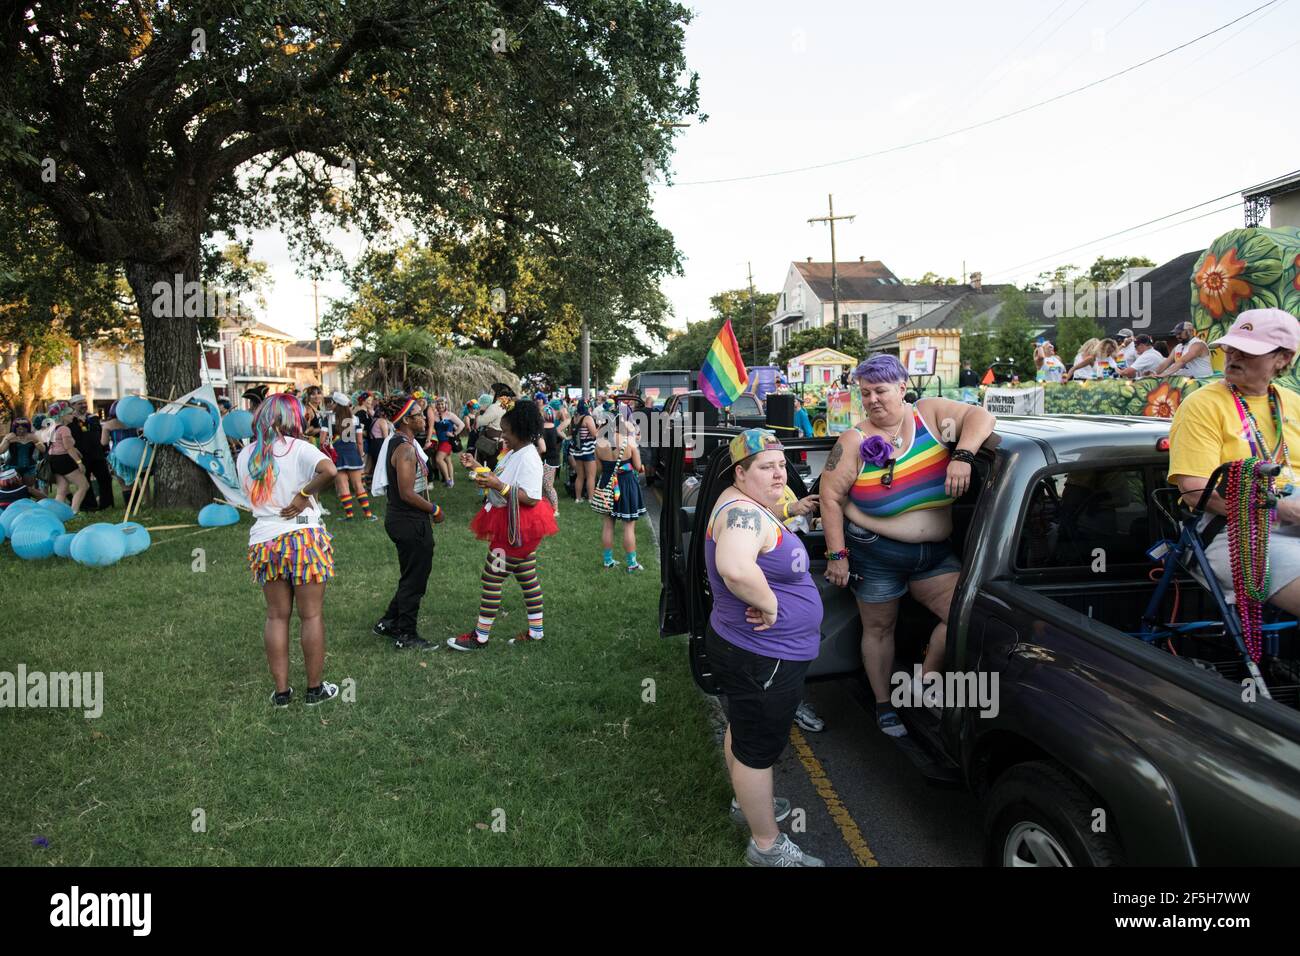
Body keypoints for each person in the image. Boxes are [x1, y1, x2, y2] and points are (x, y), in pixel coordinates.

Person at [820, 354, 996, 737]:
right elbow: (829, 496)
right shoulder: (854, 439)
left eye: (880, 391)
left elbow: (982, 418)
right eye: (865, 393)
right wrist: (837, 555)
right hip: (875, 553)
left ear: (902, 388)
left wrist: (963, 457)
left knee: (964, 618)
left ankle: (928, 675)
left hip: (934, 555)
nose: (872, 400)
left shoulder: (930, 414)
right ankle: (884, 705)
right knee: (880, 628)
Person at [703, 428, 824, 866]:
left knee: (744, 725)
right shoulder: (743, 514)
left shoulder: (751, 504)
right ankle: (767, 846)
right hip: (764, 654)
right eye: (765, 467)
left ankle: (745, 802)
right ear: (740, 472)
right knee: (758, 751)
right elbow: (734, 568)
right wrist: (771, 605)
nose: (778, 473)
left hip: (749, 649)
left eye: (780, 464)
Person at [1168, 309, 1300, 614]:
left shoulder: (1291, 402)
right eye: (1232, 346)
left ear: (1282, 358)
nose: (1234, 355)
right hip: (1238, 530)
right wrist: (1280, 510)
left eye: (1249, 350)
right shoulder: (1203, 405)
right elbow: (1196, 491)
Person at [236, 393, 340, 707]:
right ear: (291, 417)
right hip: (303, 537)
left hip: (265, 539)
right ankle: (314, 689)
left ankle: (281, 693)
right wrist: (302, 494)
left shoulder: (245, 455)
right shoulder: (300, 448)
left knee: (276, 617)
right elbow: (331, 471)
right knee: (311, 615)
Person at [449, 400, 559, 650]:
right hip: (517, 527)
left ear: (519, 431)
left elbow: (531, 498)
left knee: (491, 577)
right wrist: (477, 468)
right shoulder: (516, 452)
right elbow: (501, 478)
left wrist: (498, 486)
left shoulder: (528, 456)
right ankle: (536, 632)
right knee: (526, 576)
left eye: (507, 431)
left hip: (517, 529)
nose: (503, 435)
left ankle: (480, 637)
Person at [373, 395, 445, 650]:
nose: (424, 418)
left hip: (402, 519)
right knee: (415, 579)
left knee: (410, 575)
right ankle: (406, 634)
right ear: (405, 420)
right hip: (409, 521)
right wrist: (434, 509)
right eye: (418, 414)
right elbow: (407, 493)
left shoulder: (402, 442)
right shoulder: (404, 449)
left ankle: (389, 621)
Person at [591, 415, 647, 571]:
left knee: (608, 525)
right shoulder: (629, 441)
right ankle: (632, 563)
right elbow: (637, 466)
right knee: (628, 526)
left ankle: (608, 561)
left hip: (607, 485)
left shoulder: (599, 444)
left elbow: (599, 470)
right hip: (626, 484)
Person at [329, 392, 375, 520]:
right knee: (358, 485)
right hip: (353, 454)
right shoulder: (355, 419)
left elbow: (323, 441)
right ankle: (368, 514)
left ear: (337, 405)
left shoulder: (328, 419)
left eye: (333, 403)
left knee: (343, 486)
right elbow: (360, 441)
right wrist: (361, 455)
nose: (331, 405)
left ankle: (349, 515)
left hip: (337, 455)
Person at [69, 395, 112, 510]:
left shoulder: (93, 417)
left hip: (97, 454)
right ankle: (89, 506)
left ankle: (106, 504)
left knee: (105, 478)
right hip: (81, 456)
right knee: (85, 481)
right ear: (73, 405)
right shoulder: (70, 420)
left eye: (84, 403)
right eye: (80, 403)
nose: (83, 405)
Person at [47, 406, 90, 513]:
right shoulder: (64, 429)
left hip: (53, 460)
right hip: (64, 460)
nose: (73, 416)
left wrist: (74, 448)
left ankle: (57, 513)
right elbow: (68, 447)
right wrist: (79, 463)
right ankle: (73, 511)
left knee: (62, 489)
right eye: (70, 414)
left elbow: (57, 444)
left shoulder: (51, 428)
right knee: (83, 485)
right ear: (63, 416)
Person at [473, 386, 513, 470]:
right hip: (505, 441)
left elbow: (479, 423)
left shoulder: (495, 407)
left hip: (494, 443)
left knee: (489, 468)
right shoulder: (509, 407)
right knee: (501, 468)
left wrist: (479, 413)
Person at [429, 398, 466, 488]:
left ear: (445, 405)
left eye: (442, 404)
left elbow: (462, 424)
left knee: (439, 459)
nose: (440, 406)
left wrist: (454, 433)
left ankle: (447, 480)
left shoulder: (450, 415)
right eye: (438, 404)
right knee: (448, 460)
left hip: (447, 441)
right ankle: (451, 481)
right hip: (439, 442)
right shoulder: (434, 415)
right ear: (436, 405)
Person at [0, 419, 45, 489]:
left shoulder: (33, 436)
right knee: (14, 488)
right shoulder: (10, 436)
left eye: (24, 428)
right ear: (15, 428)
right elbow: (1, 451)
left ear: (28, 428)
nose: (21, 431)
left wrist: (36, 441)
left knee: (28, 488)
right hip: (13, 468)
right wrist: (7, 440)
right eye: (19, 429)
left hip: (29, 467)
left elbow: (43, 450)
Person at [570, 398, 599, 502]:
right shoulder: (587, 418)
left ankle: (578, 498)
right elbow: (594, 434)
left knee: (580, 476)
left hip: (577, 449)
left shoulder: (574, 418)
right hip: (588, 450)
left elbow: (571, 432)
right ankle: (591, 499)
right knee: (591, 476)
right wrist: (599, 428)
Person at [539, 395, 562, 516]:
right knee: (545, 485)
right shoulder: (554, 428)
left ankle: (555, 509)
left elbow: (542, 449)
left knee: (547, 486)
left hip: (547, 460)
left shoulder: (542, 430)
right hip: (553, 459)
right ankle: (546, 507)